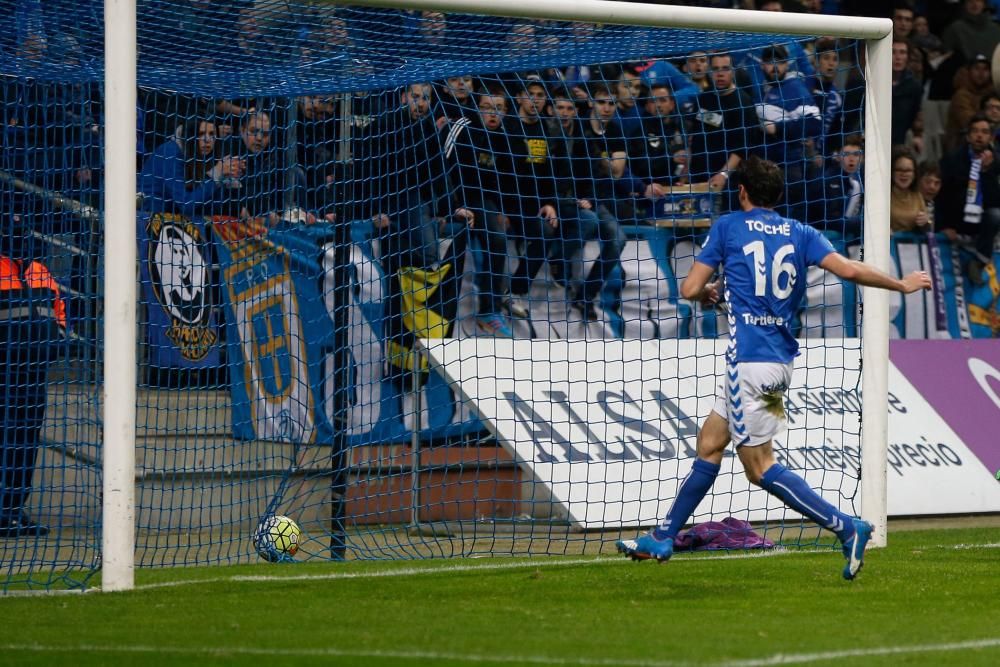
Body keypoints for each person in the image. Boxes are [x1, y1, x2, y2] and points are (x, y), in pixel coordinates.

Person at [616, 156, 932, 580]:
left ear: (742, 191)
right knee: (710, 442)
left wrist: (708, 290)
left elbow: (690, 288)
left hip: (749, 361)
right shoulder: (801, 232)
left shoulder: (728, 226)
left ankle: (846, 526)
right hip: (779, 361)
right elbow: (851, 269)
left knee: (759, 468)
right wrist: (901, 283)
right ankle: (663, 535)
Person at [1, 225, 68, 537]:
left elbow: (60, 313)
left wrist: (55, 343)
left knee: (26, 442)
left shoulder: (41, 271)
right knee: (7, 440)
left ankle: (13, 510)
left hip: (33, 374)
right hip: (4, 372)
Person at [938, 113, 1000, 285]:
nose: (979, 135)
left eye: (984, 132)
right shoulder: (952, 159)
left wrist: (986, 172)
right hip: (957, 220)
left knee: (996, 215)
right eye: (975, 131)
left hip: (982, 223)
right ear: (968, 136)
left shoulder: (996, 163)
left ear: (991, 137)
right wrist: (945, 225)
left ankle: (979, 261)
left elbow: (996, 202)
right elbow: (941, 195)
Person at [889, 147, 929, 233]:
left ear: (914, 174)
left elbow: (926, 227)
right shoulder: (884, 195)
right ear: (891, 172)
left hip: (911, 244)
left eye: (908, 170)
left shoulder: (917, 195)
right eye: (899, 169)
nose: (904, 174)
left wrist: (925, 222)